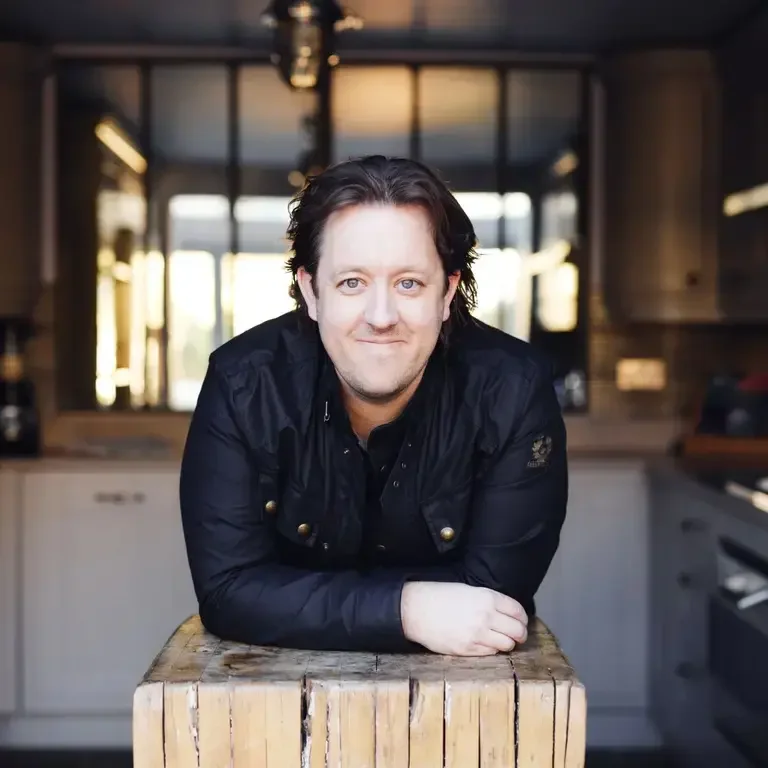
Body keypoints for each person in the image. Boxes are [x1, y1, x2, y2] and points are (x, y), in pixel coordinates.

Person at [179, 155, 568, 657]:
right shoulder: (244, 384)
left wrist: (295, 602)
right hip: (265, 705)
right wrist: (406, 610)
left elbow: (490, 606)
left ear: (447, 293)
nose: (381, 316)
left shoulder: (513, 389)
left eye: (408, 283)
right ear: (310, 291)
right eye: (352, 283)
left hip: (463, 709)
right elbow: (228, 590)